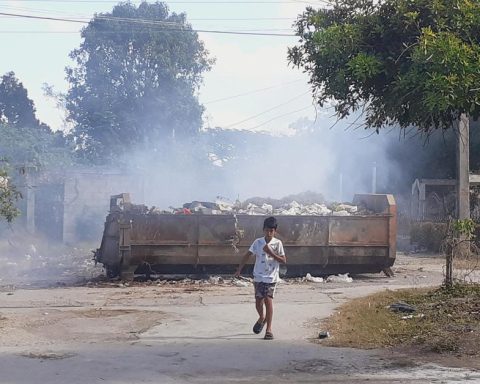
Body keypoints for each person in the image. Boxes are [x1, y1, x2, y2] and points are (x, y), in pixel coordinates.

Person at [234, 216, 286, 340]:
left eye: (271, 231)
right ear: (263, 230)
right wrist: (239, 269)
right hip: (258, 276)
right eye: (267, 230)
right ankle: (262, 318)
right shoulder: (257, 242)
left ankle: (269, 329)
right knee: (258, 302)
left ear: (275, 231)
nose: (268, 233)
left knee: (268, 300)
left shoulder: (278, 243)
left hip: (271, 278)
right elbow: (247, 255)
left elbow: (283, 260)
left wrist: (270, 252)